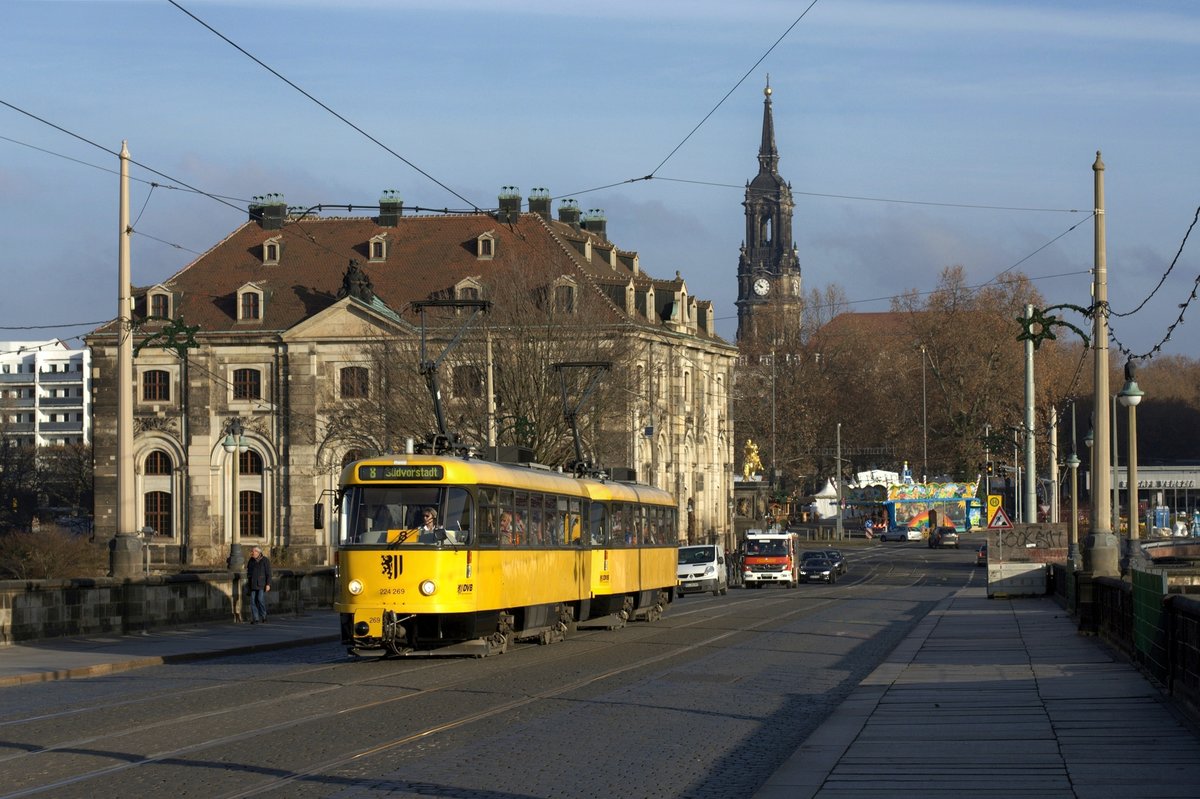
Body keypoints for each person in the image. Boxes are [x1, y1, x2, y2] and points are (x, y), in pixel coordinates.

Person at [246, 545, 271, 624]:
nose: (252, 553)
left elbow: (268, 573)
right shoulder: (251, 560)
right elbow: (249, 572)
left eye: (253, 551)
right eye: (252, 552)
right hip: (253, 584)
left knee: (260, 600)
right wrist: (249, 583)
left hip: (261, 584)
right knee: (253, 601)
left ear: (258, 552)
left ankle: (264, 616)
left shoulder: (265, 560)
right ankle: (256, 618)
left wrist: (268, 584)